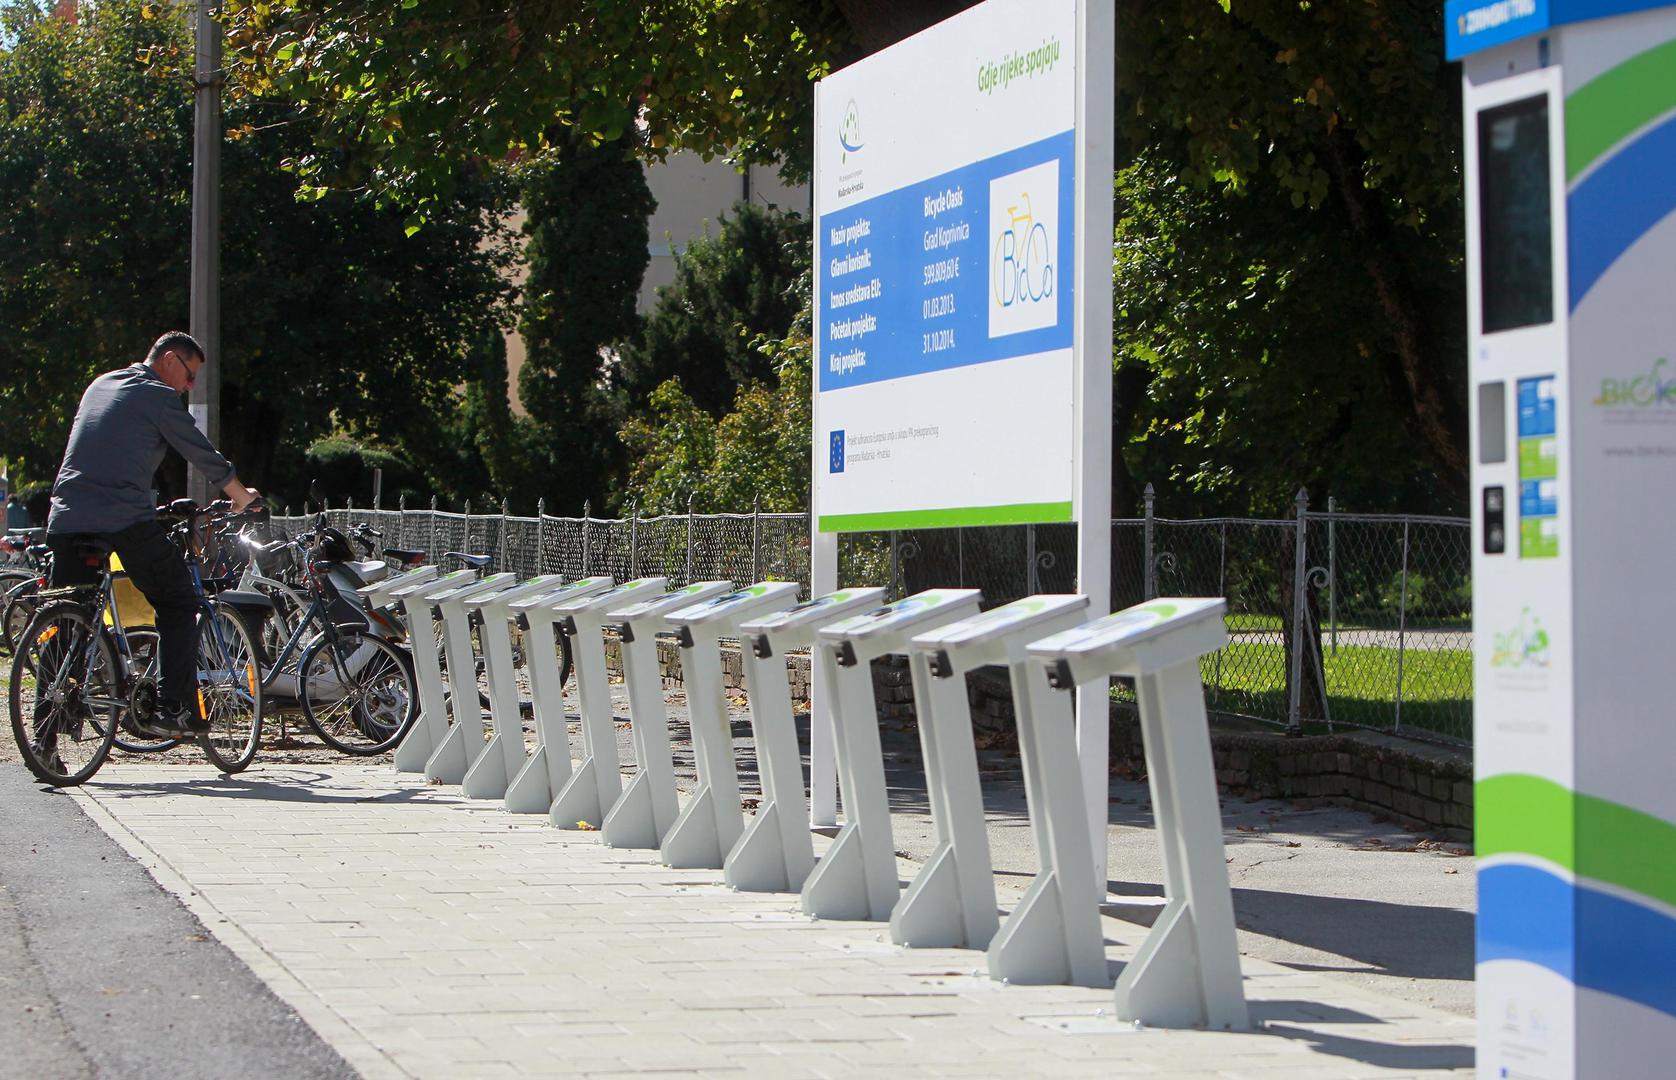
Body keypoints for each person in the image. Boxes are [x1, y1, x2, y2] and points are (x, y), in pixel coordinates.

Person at [45, 331, 260, 737]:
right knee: (179, 600)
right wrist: (240, 494)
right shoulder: (157, 395)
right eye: (190, 375)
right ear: (170, 360)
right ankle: (172, 709)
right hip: (122, 518)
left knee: (67, 617)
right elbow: (200, 451)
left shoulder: (100, 384)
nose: (189, 386)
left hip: (66, 516)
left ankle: (45, 734)